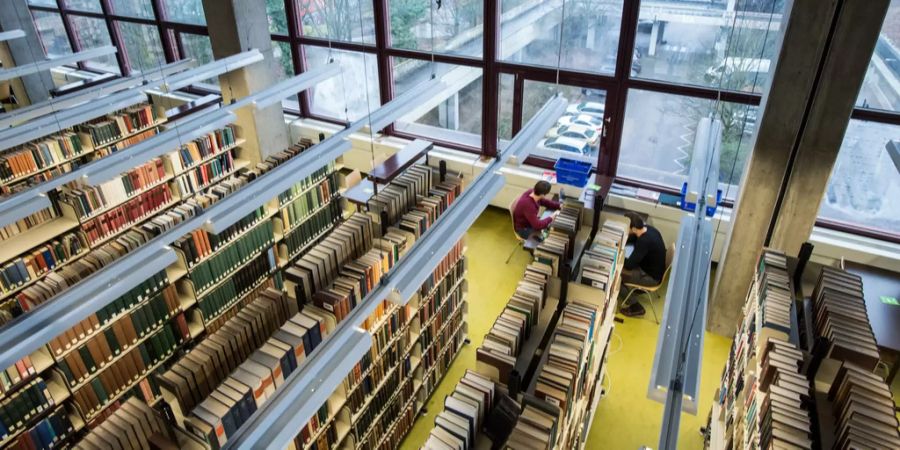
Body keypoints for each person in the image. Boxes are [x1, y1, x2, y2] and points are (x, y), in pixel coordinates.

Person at [620, 211, 666, 317]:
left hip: (651, 278)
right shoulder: (649, 229)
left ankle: (635, 306)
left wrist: (618, 254)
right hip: (654, 270)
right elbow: (633, 237)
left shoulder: (644, 241)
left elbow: (629, 265)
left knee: (618, 275)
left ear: (634, 229)